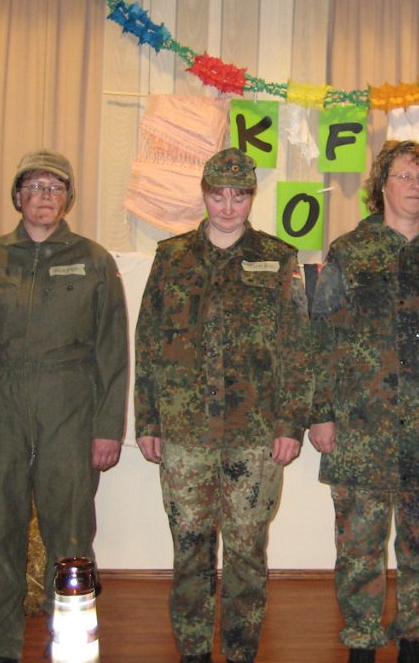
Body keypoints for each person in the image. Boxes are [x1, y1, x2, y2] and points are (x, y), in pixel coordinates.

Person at [0, 150, 128, 663]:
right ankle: (0, 647)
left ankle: (71, 641)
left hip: (69, 411)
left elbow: (112, 351)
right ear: (18, 196)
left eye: (55, 187)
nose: (45, 196)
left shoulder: (94, 261)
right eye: (34, 186)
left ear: (68, 198)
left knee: (70, 535)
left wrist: (107, 427)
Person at [308, 139, 419, 663]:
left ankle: (414, 640)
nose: (417, 185)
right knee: (359, 547)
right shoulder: (349, 251)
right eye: (406, 176)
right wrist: (320, 412)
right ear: (382, 185)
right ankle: (362, 643)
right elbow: (322, 334)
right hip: (362, 428)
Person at [133, 147, 312, 663]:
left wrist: (290, 425)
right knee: (189, 549)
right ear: (204, 195)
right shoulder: (172, 258)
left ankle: (240, 651)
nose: (228, 206)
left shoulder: (279, 257)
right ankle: (192, 651)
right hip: (184, 431)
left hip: (255, 433)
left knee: (246, 552)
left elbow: (297, 348)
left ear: (251, 197)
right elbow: (148, 342)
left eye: (239, 195)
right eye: (218, 195)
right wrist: (147, 420)